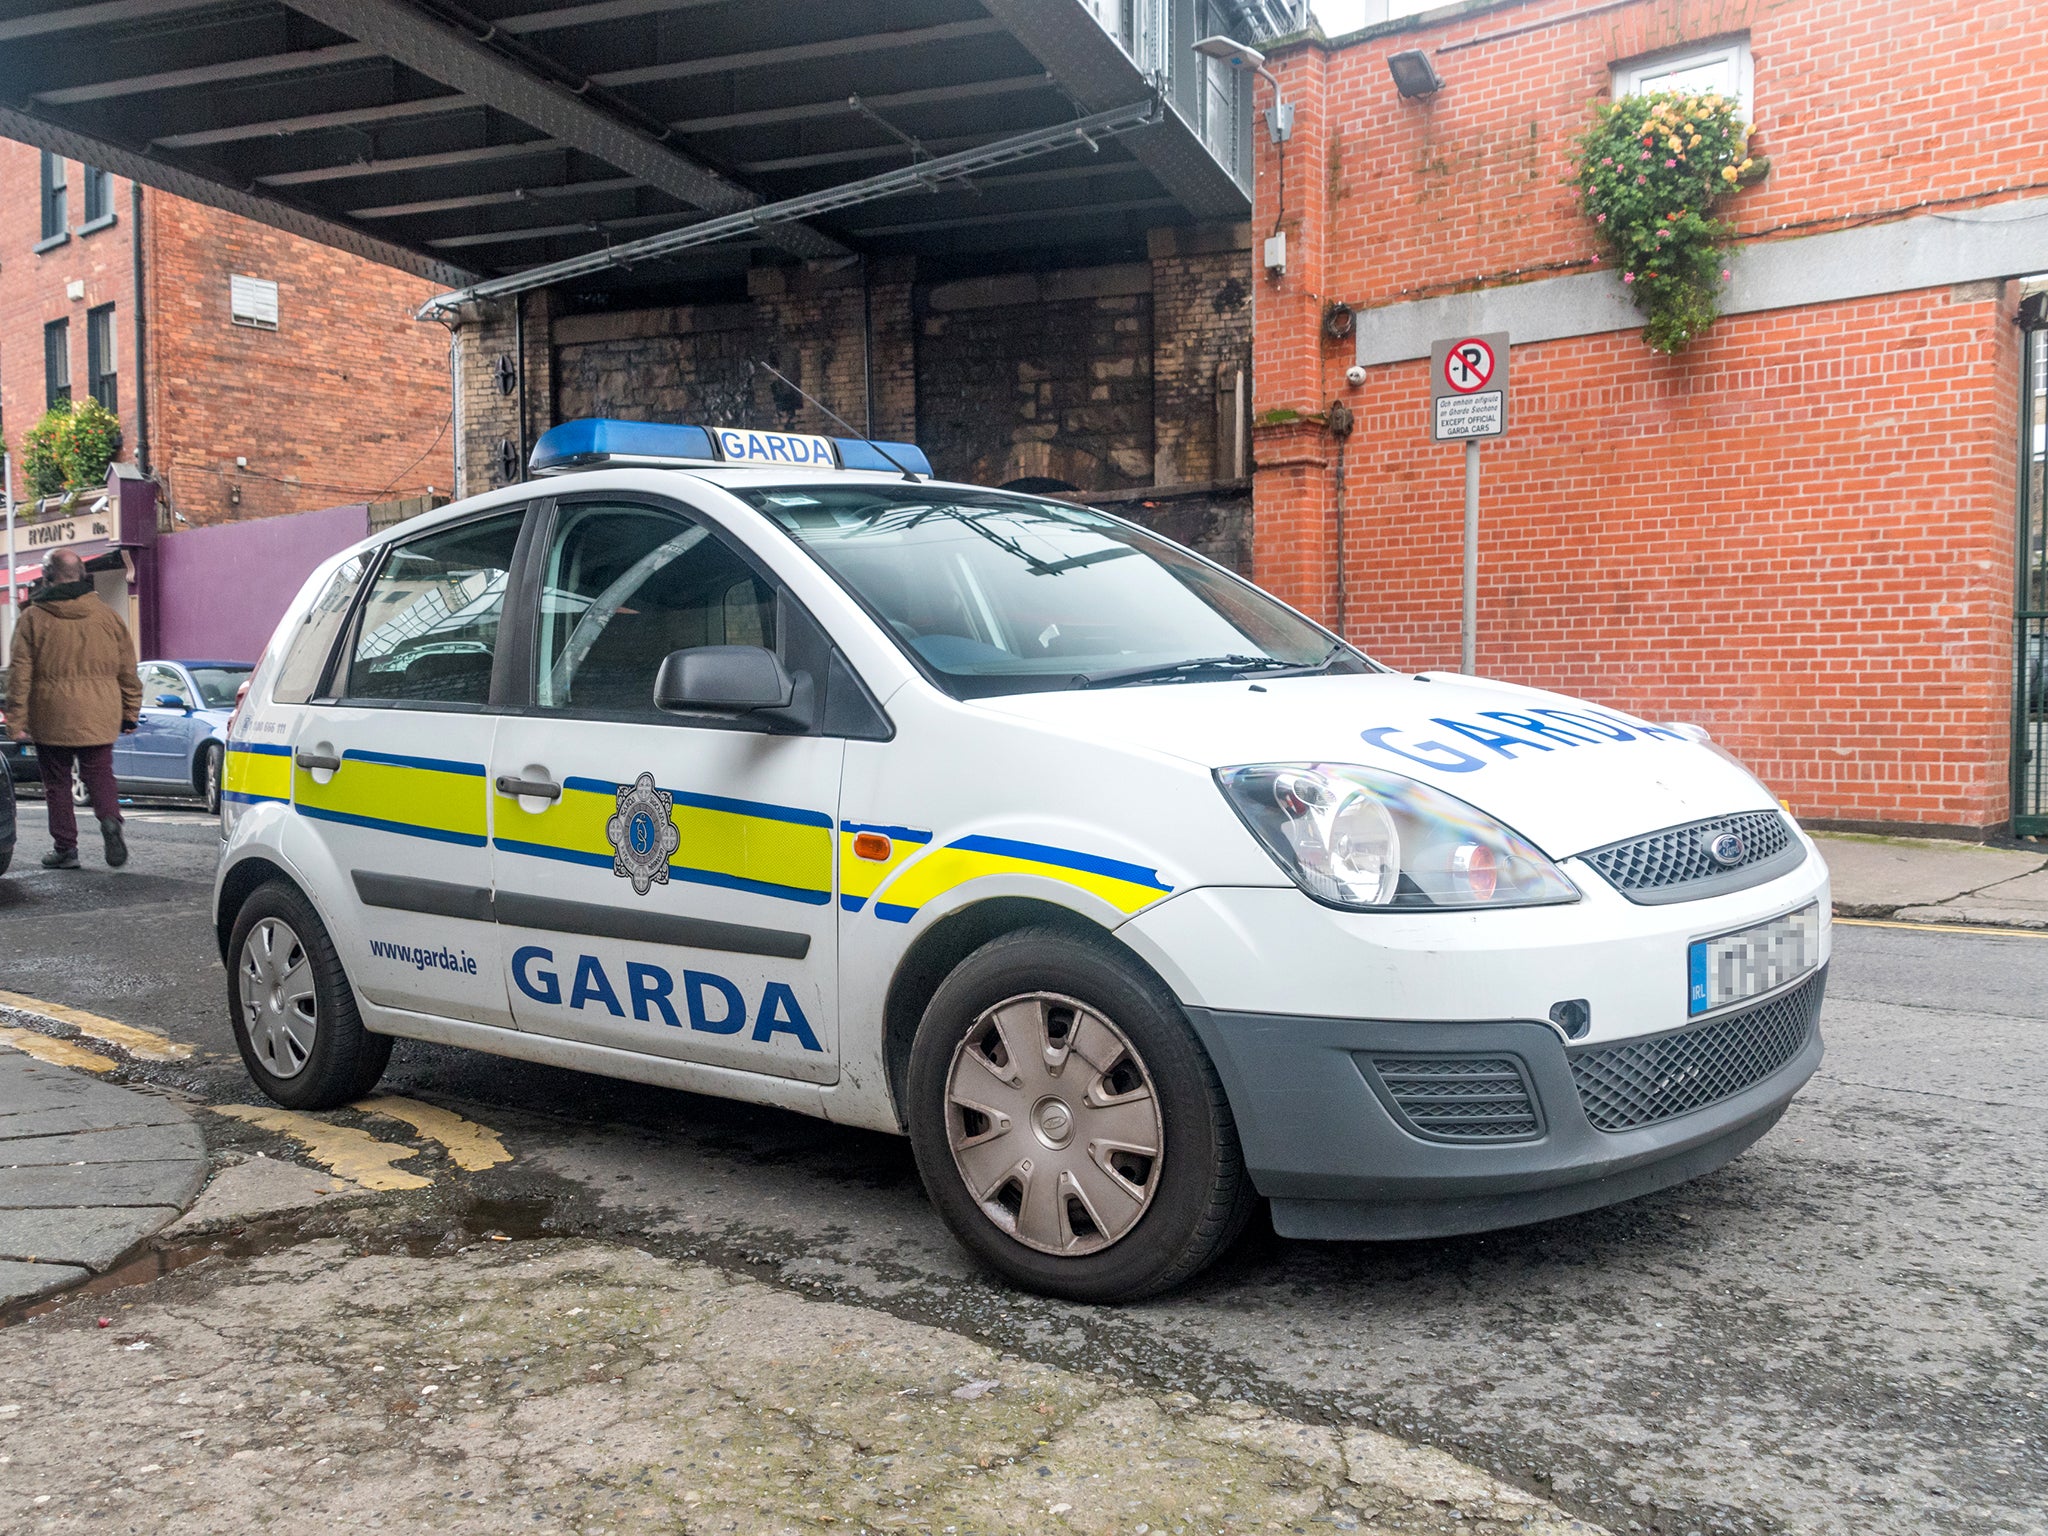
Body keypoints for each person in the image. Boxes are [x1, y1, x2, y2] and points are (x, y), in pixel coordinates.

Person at [2, 550, 141, 870]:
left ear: (47, 576)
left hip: (51, 714)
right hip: (100, 712)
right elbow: (127, 670)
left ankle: (66, 848)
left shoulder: (32, 618)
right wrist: (130, 711)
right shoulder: (107, 617)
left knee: (57, 783)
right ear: (81, 574)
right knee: (100, 774)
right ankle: (110, 820)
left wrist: (16, 720)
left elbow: (20, 674)